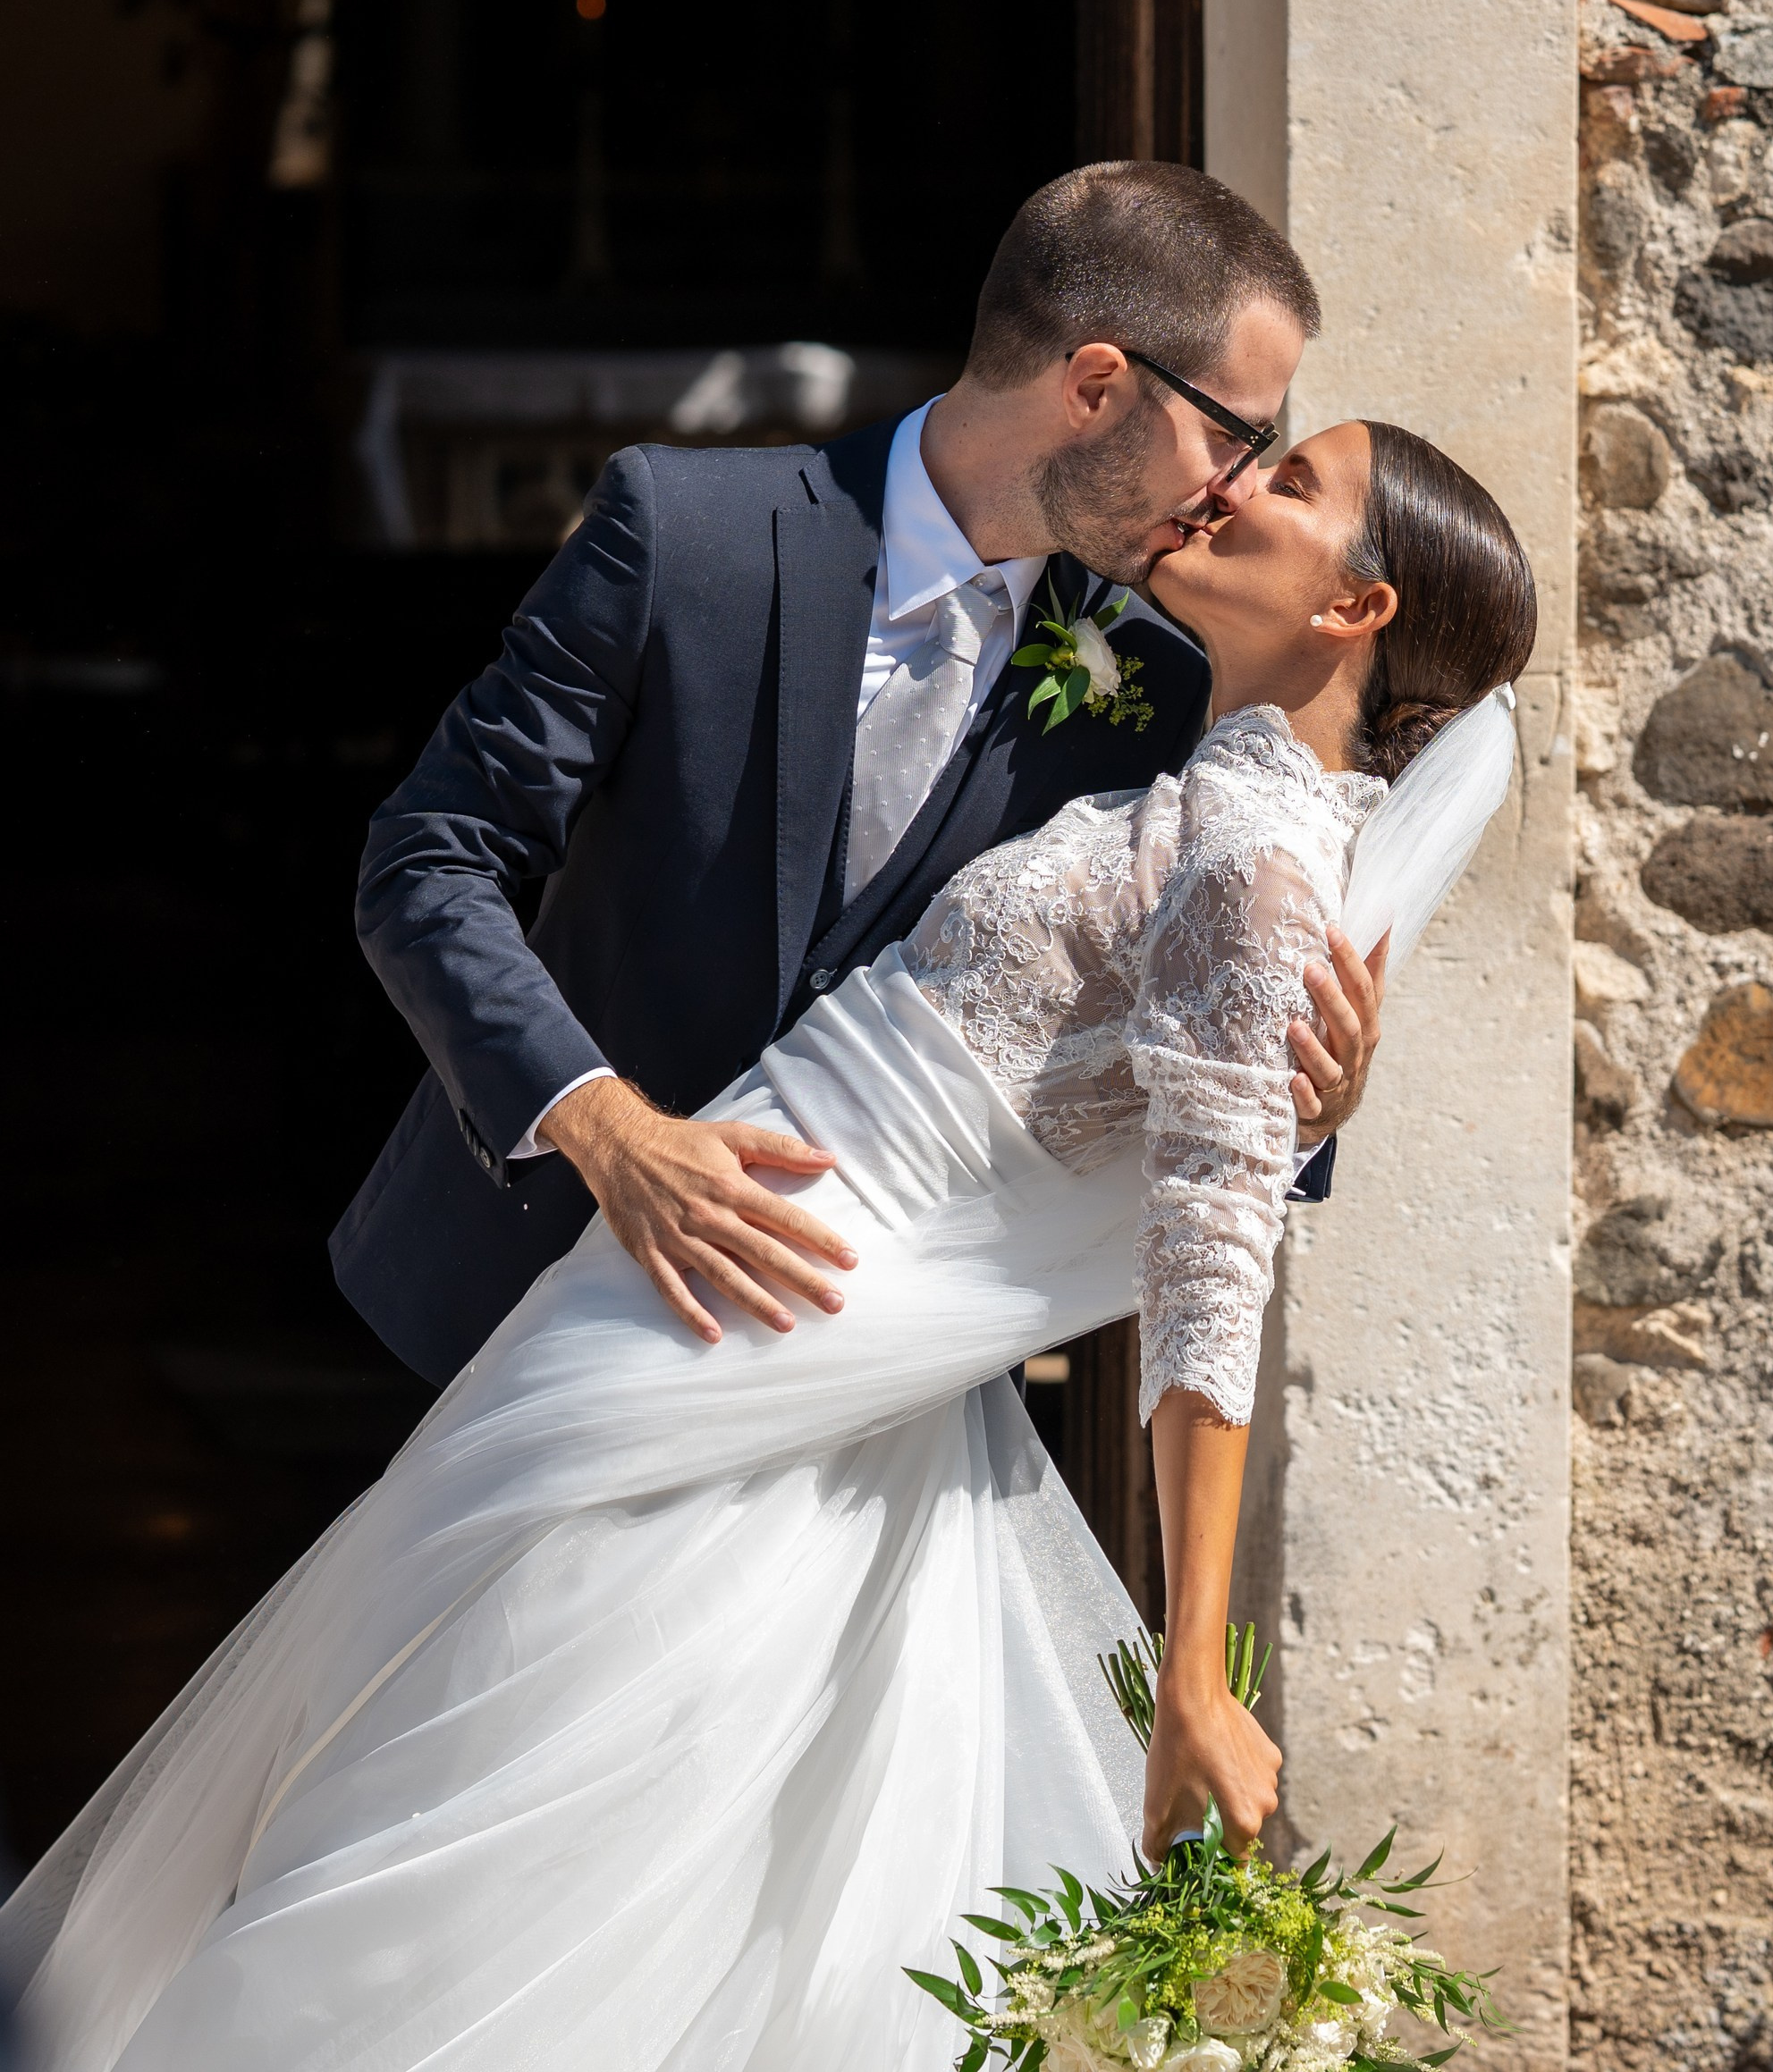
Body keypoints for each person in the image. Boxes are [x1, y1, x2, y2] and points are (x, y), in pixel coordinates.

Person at [4, 416, 1535, 2071]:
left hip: (784, 1319)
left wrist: (1192, 1669)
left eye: (1289, 482)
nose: (1231, 482)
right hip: (723, 1286)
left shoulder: (1258, 862)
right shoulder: (1185, 768)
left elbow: (1211, 1264)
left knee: (502, 1779)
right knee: (550, 1768)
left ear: (1354, 613)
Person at [327, 163, 1387, 1388]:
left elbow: (1176, 1032)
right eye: (1233, 432)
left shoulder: (1152, 680)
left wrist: (1304, 1105)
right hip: (529, 1302)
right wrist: (603, 1129)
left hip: (860, 1362)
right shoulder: (682, 535)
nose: (1238, 487)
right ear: (1096, 386)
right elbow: (427, 859)